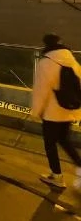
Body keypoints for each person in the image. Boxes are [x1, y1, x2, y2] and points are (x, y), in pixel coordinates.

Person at [32, 34, 81, 189]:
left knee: (50, 144)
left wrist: (37, 111)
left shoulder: (45, 63)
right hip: (68, 110)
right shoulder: (72, 61)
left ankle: (57, 177)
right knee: (65, 140)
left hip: (52, 113)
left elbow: (41, 91)